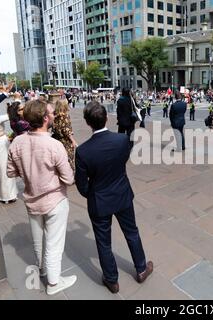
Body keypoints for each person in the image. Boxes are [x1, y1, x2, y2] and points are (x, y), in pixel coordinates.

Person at [75, 101, 153, 294]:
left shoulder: (83, 151)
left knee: (103, 241)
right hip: (122, 194)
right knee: (131, 232)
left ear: (87, 123)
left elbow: (81, 185)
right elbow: (123, 160)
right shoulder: (121, 140)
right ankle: (141, 269)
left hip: (99, 199)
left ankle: (112, 280)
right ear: (106, 118)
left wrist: (92, 192)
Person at [7, 99, 76, 295]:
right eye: (52, 113)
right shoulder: (54, 145)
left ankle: (44, 270)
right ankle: (54, 283)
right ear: (45, 118)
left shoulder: (17, 142)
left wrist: (30, 173)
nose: (55, 115)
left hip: (31, 199)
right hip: (55, 200)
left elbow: (11, 172)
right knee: (54, 243)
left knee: (38, 240)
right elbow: (69, 178)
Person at [52, 99, 78, 171]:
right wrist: (73, 141)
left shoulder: (54, 115)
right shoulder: (65, 116)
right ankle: (70, 175)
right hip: (65, 141)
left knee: (59, 159)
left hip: (56, 139)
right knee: (68, 158)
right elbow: (66, 130)